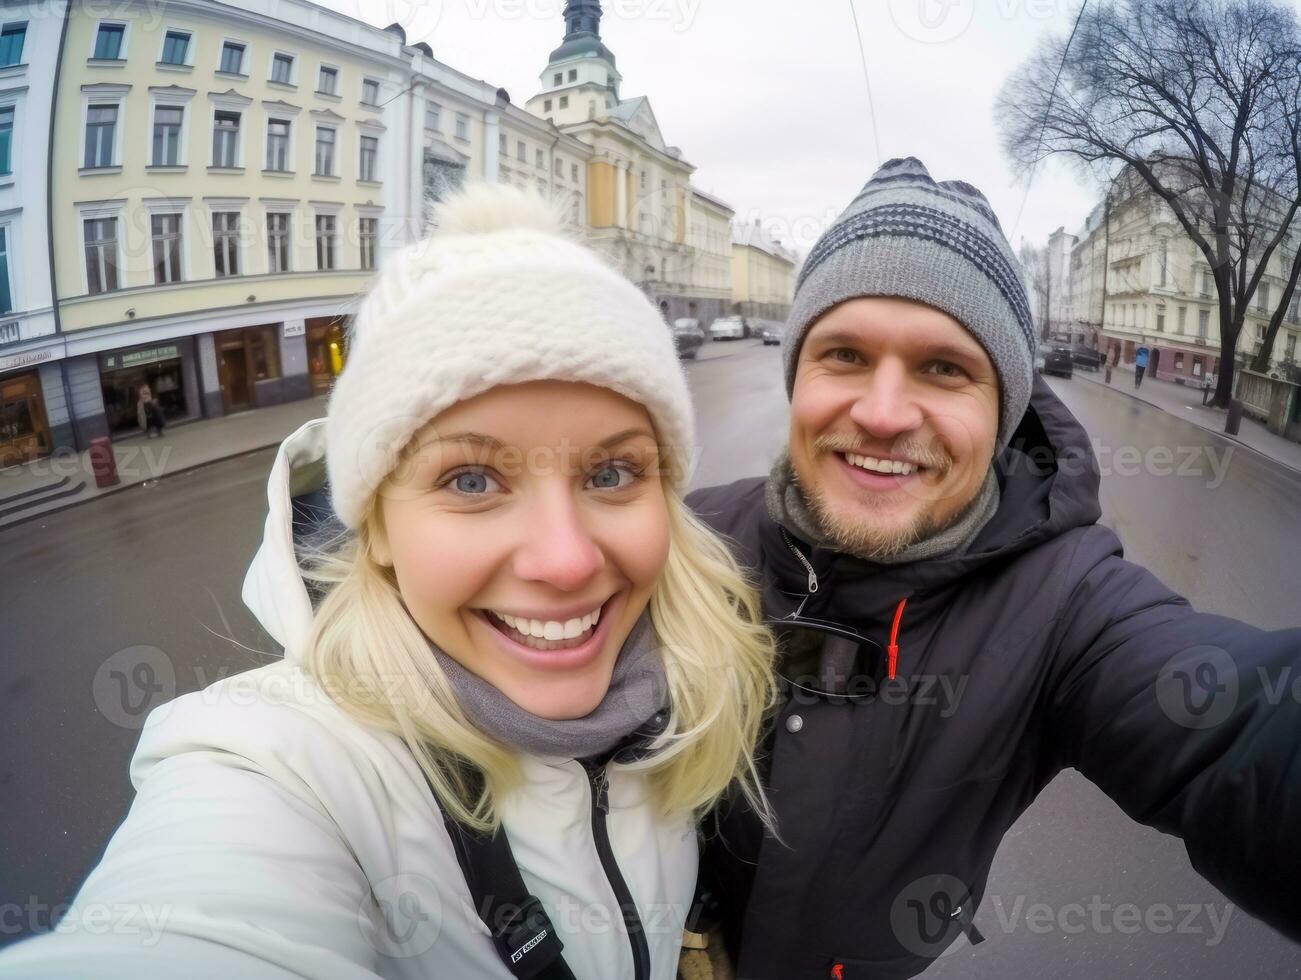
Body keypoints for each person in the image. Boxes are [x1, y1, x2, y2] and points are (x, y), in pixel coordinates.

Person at [0, 185, 776, 979]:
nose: (566, 560)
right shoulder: (281, 763)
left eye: (611, 472)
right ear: (376, 533)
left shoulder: (693, 694)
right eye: (472, 480)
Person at [687, 158, 1301, 978]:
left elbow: (1239, 737)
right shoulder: (684, 541)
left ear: (1003, 409)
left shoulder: (1066, 606)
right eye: (843, 354)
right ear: (797, 373)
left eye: (944, 368)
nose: (881, 412)